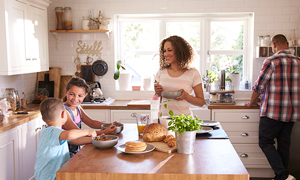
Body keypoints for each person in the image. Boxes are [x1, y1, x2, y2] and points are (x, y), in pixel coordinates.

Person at [245, 34, 299, 180]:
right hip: (292, 112)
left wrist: (251, 103)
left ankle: (282, 174)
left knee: (265, 142)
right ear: (287, 44)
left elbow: (259, 86)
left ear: (273, 45)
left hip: (273, 111)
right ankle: (283, 177)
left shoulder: (272, 61)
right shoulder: (298, 61)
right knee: (284, 144)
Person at [34, 98, 97, 180]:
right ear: (64, 114)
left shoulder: (49, 133)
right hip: (50, 176)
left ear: (43, 119)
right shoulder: (54, 131)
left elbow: (76, 140)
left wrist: (95, 140)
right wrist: (88, 132)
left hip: (44, 174)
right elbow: (69, 134)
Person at [62, 77, 117, 157]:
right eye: (71, 94)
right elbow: (79, 133)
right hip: (64, 153)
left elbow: (91, 122)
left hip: (75, 150)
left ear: (85, 95)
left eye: (80, 95)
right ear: (66, 92)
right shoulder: (64, 111)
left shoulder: (78, 107)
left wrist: (110, 125)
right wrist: (103, 133)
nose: (75, 98)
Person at [154, 35, 205, 116]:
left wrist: (186, 96)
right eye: (164, 51)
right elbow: (156, 99)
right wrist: (158, 92)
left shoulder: (193, 72)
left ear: (179, 51)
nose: (166, 54)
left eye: (169, 50)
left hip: (184, 122)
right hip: (164, 120)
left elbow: (201, 102)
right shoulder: (161, 72)